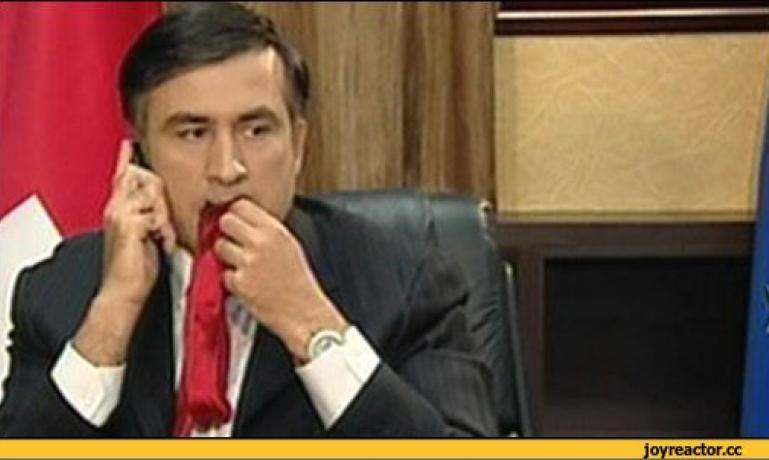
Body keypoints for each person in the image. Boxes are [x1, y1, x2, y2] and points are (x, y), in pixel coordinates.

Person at [0, 3, 496, 437]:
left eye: (256, 130)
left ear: (297, 146)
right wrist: (112, 317)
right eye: (193, 133)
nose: (227, 169)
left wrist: (311, 324)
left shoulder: (406, 283)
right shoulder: (59, 292)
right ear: (141, 158)